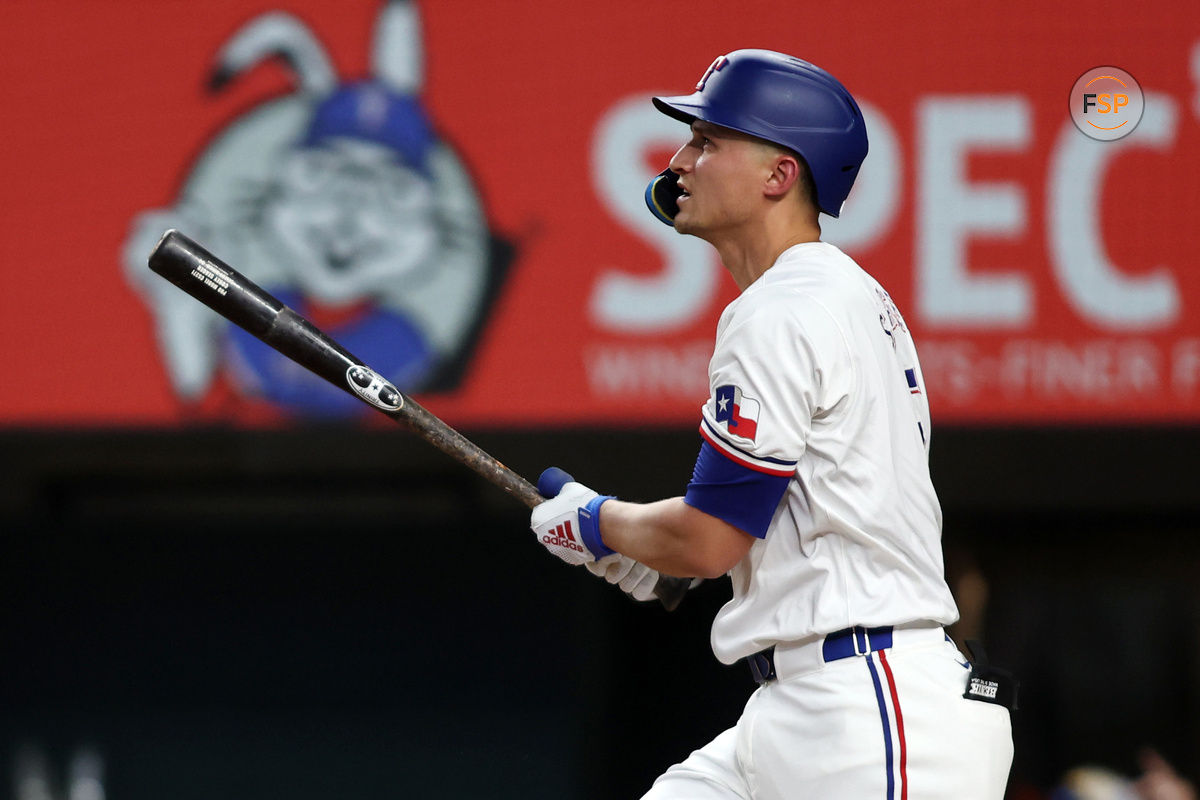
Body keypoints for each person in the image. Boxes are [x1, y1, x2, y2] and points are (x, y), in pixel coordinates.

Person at [530, 49, 1014, 798]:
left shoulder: (781, 308)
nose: (679, 159)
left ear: (778, 176)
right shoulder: (844, 293)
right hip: (806, 704)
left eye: (708, 140)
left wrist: (597, 523)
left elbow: (710, 536)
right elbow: (775, 520)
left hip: (873, 707)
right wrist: (652, 551)